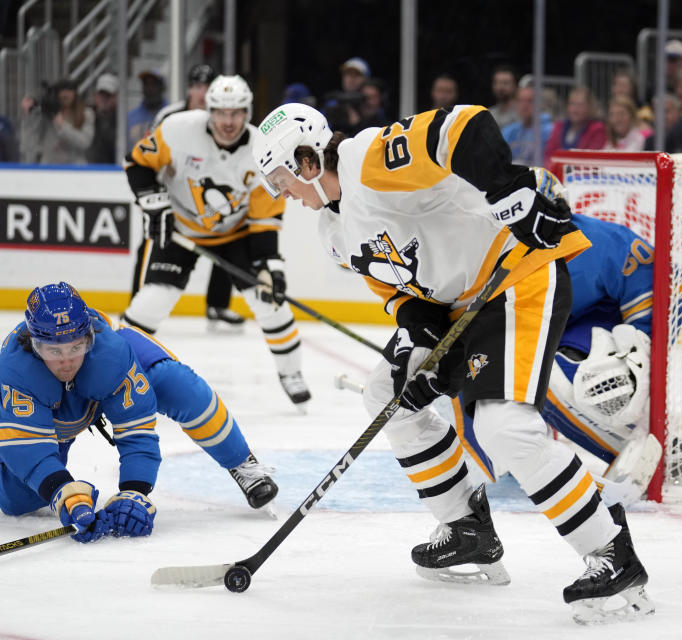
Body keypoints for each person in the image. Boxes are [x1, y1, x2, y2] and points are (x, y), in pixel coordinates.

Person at [250, 103, 654, 624]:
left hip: (517, 277)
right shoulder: (332, 230)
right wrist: (425, 336)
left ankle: (610, 550)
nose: (283, 195)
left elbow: (464, 126)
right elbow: (392, 285)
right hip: (460, 305)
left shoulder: (367, 160)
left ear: (306, 160)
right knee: (385, 397)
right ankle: (468, 529)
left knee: (504, 427)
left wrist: (510, 190)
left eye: (282, 179)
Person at [0, 282, 278, 544]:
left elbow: (138, 431)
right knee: (15, 500)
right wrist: (63, 492)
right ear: (34, 345)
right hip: (58, 415)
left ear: (90, 337)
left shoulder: (111, 353)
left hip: (113, 372)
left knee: (180, 387)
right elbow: (26, 447)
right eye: (54, 351)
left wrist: (135, 491)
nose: (66, 361)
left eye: (76, 346)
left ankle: (242, 463)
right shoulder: (18, 369)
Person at [448, 200, 662, 508]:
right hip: (561, 329)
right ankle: (511, 453)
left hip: (608, 333)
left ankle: (639, 444)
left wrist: (639, 351)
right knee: (493, 378)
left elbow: (652, 310)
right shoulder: (489, 257)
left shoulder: (603, 245)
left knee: (555, 379)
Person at [122, 75, 312, 410]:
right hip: (181, 228)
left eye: (237, 112)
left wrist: (271, 265)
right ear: (208, 110)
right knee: (153, 300)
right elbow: (136, 163)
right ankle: (117, 369)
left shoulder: (263, 149)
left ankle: (291, 372)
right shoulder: (176, 130)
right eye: (221, 112)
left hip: (235, 234)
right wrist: (154, 202)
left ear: (247, 112)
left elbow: (265, 218)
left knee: (270, 302)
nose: (228, 121)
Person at [133, 63, 247, 332]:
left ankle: (217, 305)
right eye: (197, 86)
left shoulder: (223, 117)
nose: (201, 91)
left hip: (207, 195)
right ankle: (138, 303)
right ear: (189, 89)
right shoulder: (170, 116)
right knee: (150, 245)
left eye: (207, 86)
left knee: (226, 241)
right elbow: (150, 153)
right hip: (172, 197)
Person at [20, 79, 95, 164]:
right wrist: (30, 114)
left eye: (70, 91)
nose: (66, 94)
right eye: (62, 91)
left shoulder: (86, 114)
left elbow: (84, 142)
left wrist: (62, 124)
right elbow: (30, 141)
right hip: (49, 168)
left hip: (75, 169)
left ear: (75, 94)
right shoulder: (46, 112)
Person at [542, 86, 607, 168]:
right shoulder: (559, 127)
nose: (575, 110)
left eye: (580, 105)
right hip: (556, 176)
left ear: (590, 107)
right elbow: (549, 155)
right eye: (572, 104)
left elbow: (591, 162)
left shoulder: (598, 130)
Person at [501, 82, 553, 165]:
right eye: (520, 101)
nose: (524, 105)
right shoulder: (509, 131)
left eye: (530, 101)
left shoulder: (550, 132)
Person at [127, 69, 167, 150]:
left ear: (161, 87)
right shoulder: (131, 117)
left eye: (153, 84)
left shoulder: (170, 115)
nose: (149, 89)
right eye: (146, 84)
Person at [86, 73, 119, 164]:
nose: (103, 99)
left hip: (112, 171)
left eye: (108, 95)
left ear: (116, 97)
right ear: (95, 96)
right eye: (101, 94)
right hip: (86, 170)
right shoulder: (85, 116)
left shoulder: (122, 120)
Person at [489, 64, 520, 129]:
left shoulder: (523, 113)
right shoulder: (489, 114)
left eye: (505, 83)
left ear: (515, 86)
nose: (500, 87)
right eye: (497, 83)